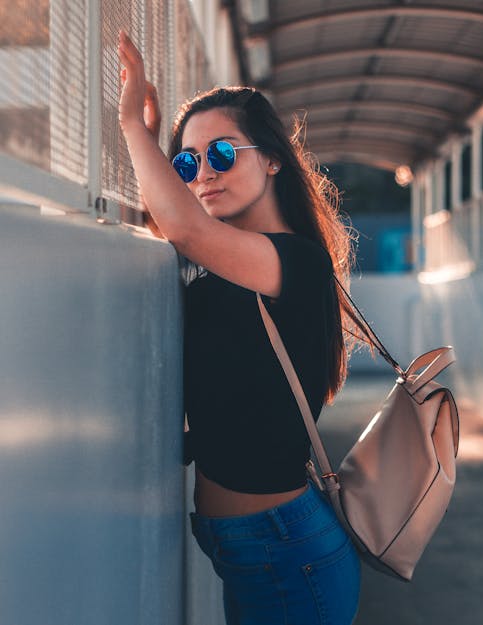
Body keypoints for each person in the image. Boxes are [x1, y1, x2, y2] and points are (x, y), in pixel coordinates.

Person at [118, 29, 363, 625]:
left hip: (285, 550)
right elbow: (172, 224)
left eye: (222, 153)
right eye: (187, 161)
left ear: (274, 158)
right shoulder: (237, 262)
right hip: (261, 546)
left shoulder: (296, 260)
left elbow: (186, 229)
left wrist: (131, 127)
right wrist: (156, 153)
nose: (202, 173)